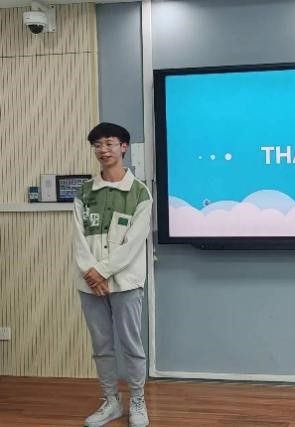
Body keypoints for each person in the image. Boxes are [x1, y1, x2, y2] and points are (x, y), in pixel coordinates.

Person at [73, 122, 152, 427]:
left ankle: (137, 400)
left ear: (123, 147)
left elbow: (134, 242)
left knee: (131, 345)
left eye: (109, 143)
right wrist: (91, 273)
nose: (103, 150)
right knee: (101, 346)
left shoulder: (139, 193)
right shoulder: (84, 192)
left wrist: (102, 271)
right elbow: (78, 239)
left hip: (126, 282)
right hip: (89, 285)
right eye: (97, 145)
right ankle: (111, 401)